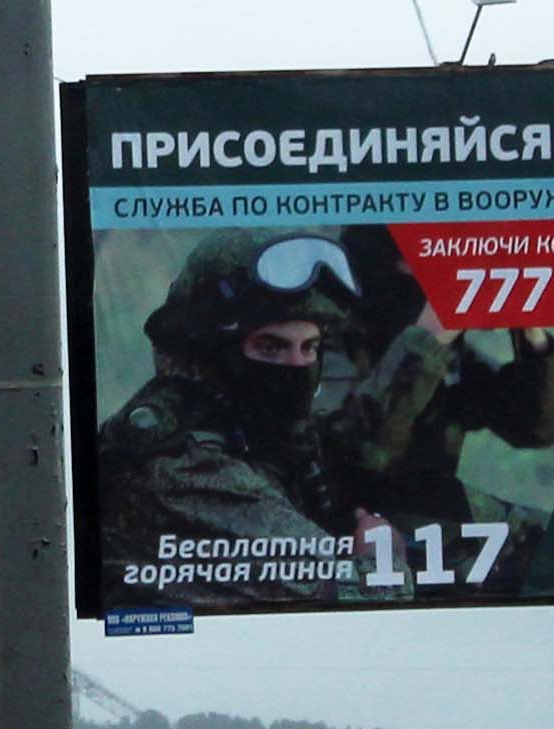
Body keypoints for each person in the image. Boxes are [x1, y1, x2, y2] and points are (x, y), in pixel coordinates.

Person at [93, 232, 365, 589]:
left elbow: (362, 437)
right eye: (271, 347)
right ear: (214, 355)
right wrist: (383, 556)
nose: (297, 366)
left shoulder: (255, 434)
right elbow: (340, 590)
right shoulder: (180, 462)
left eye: (310, 347)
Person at [324, 228, 554, 533]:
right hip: (349, 526)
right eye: (418, 264)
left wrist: (532, 338)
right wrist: (429, 338)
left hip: (428, 521)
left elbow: (536, 429)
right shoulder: (327, 345)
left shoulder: (449, 358)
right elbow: (358, 452)